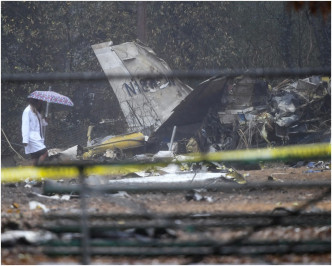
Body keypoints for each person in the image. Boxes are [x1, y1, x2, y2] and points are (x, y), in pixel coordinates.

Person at [22, 98, 48, 165]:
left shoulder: (36, 111)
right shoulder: (27, 111)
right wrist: (25, 140)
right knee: (44, 153)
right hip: (32, 138)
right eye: (39, 102)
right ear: (35, 102)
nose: (40, 104)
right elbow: (25, 126)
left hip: (37, 137)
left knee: (35, 156)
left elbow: (40, 123)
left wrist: (45, 120)